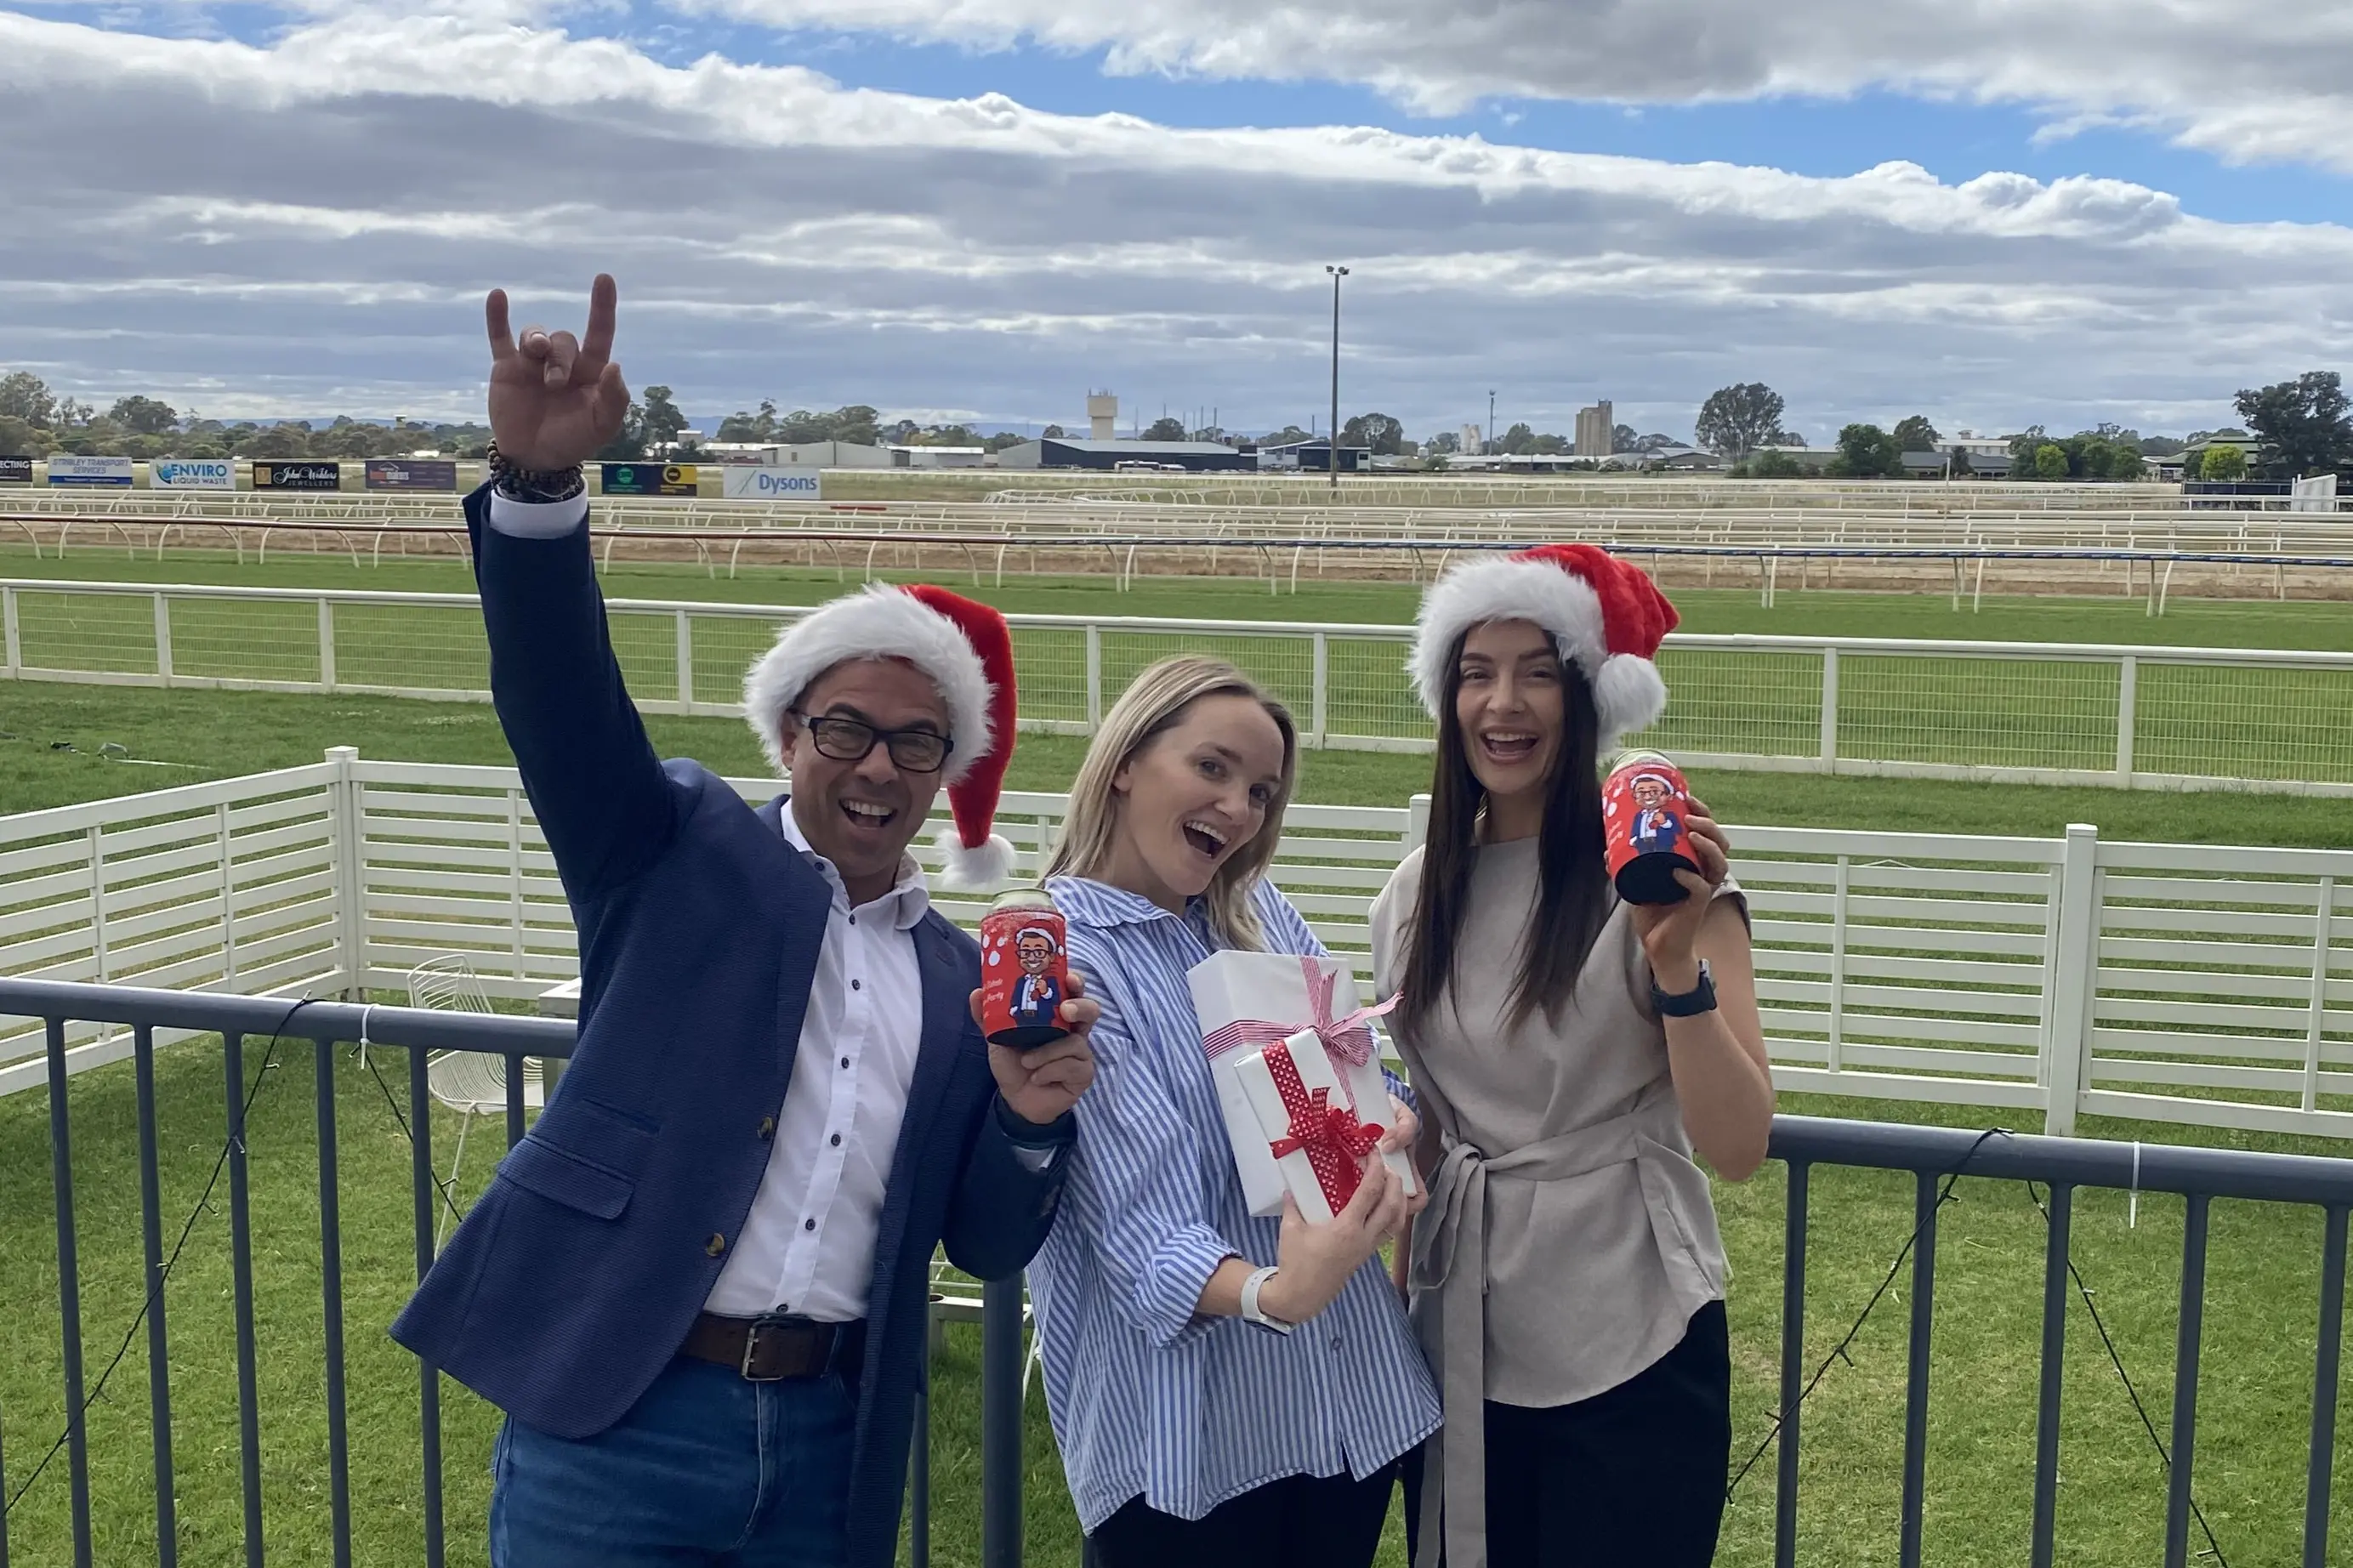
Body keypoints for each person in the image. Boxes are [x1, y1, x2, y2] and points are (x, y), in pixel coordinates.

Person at [390, 275, 1098, 1568]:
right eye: (845, 731)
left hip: (828, 1441)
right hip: (622, 1419)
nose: (877, 770)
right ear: (788, 736)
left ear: (944, 772)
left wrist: (1031, 1126)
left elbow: (987, 1244)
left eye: (915, 744)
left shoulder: (958, 983)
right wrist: (539, 493)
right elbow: (558, 700)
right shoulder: (667, 848)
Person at [1370, 545, 1775, 1568]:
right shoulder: (1412, 896)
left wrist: (1675, 958)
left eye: (1537, 670)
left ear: (1589, 693)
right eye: (1475, 671)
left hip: (1630, 1327)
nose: (1501, 703)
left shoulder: (1665, 882)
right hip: (1459, 1333)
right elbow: (1423, 1125)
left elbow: (1734, 1143)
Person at [1024, 654, 1441, 1568]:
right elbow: (1134, 1230)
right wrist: (1278, 1291)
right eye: (1212, 767)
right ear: (1126, 759)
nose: (1240, 807)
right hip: (1191, 1449)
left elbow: (1358, 1078)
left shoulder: (1256, 915)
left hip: (1346, 1409)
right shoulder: (1065, 960)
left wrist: (1393, 1127)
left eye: (1260, 789)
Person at [1011, 927, 1066, 1032]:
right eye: (1026, 953)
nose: (1032, 958)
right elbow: (1016, 997)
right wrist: (1015, 1009)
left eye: (1039, 953)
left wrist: (1045, 992)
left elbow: (1057, 999)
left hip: (1043, 1019)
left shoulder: (1052, 980)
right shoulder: (1021, 981)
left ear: (1051, 956)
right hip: (1022, 1018)